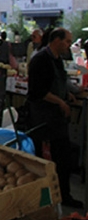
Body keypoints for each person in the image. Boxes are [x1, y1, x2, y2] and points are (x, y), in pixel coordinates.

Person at [27, 28, 82, 208]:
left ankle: (63, 194)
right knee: (42, 158)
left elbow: (57, 82)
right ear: (57, 41)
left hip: (56, 117)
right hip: (43, 116)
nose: (69, 45)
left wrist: (67, 95)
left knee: (62, 158)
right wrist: (60, 101)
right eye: (67, 41)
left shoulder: (57, 59)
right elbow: (38, 91)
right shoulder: (40, 60)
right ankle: (43, 196)